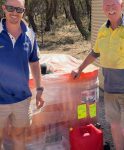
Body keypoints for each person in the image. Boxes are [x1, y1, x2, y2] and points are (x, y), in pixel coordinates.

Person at [71, 0, 124, 150]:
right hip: (110, 89)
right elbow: (94, 53)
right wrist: (79, 69)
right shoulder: (103, 30)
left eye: (114, 5)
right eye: (107, 6)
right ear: (103, 8)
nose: (110, 9)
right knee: (115, 126)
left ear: (122, 6)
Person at [0, 0, 44, 150]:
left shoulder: (30, 34)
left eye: (19, 10)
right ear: (4, 8)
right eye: (11, 8)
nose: (14, 13)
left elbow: (35, 63)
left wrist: (39, 90)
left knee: (19, 136)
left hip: (22, 99)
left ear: (23, 11)